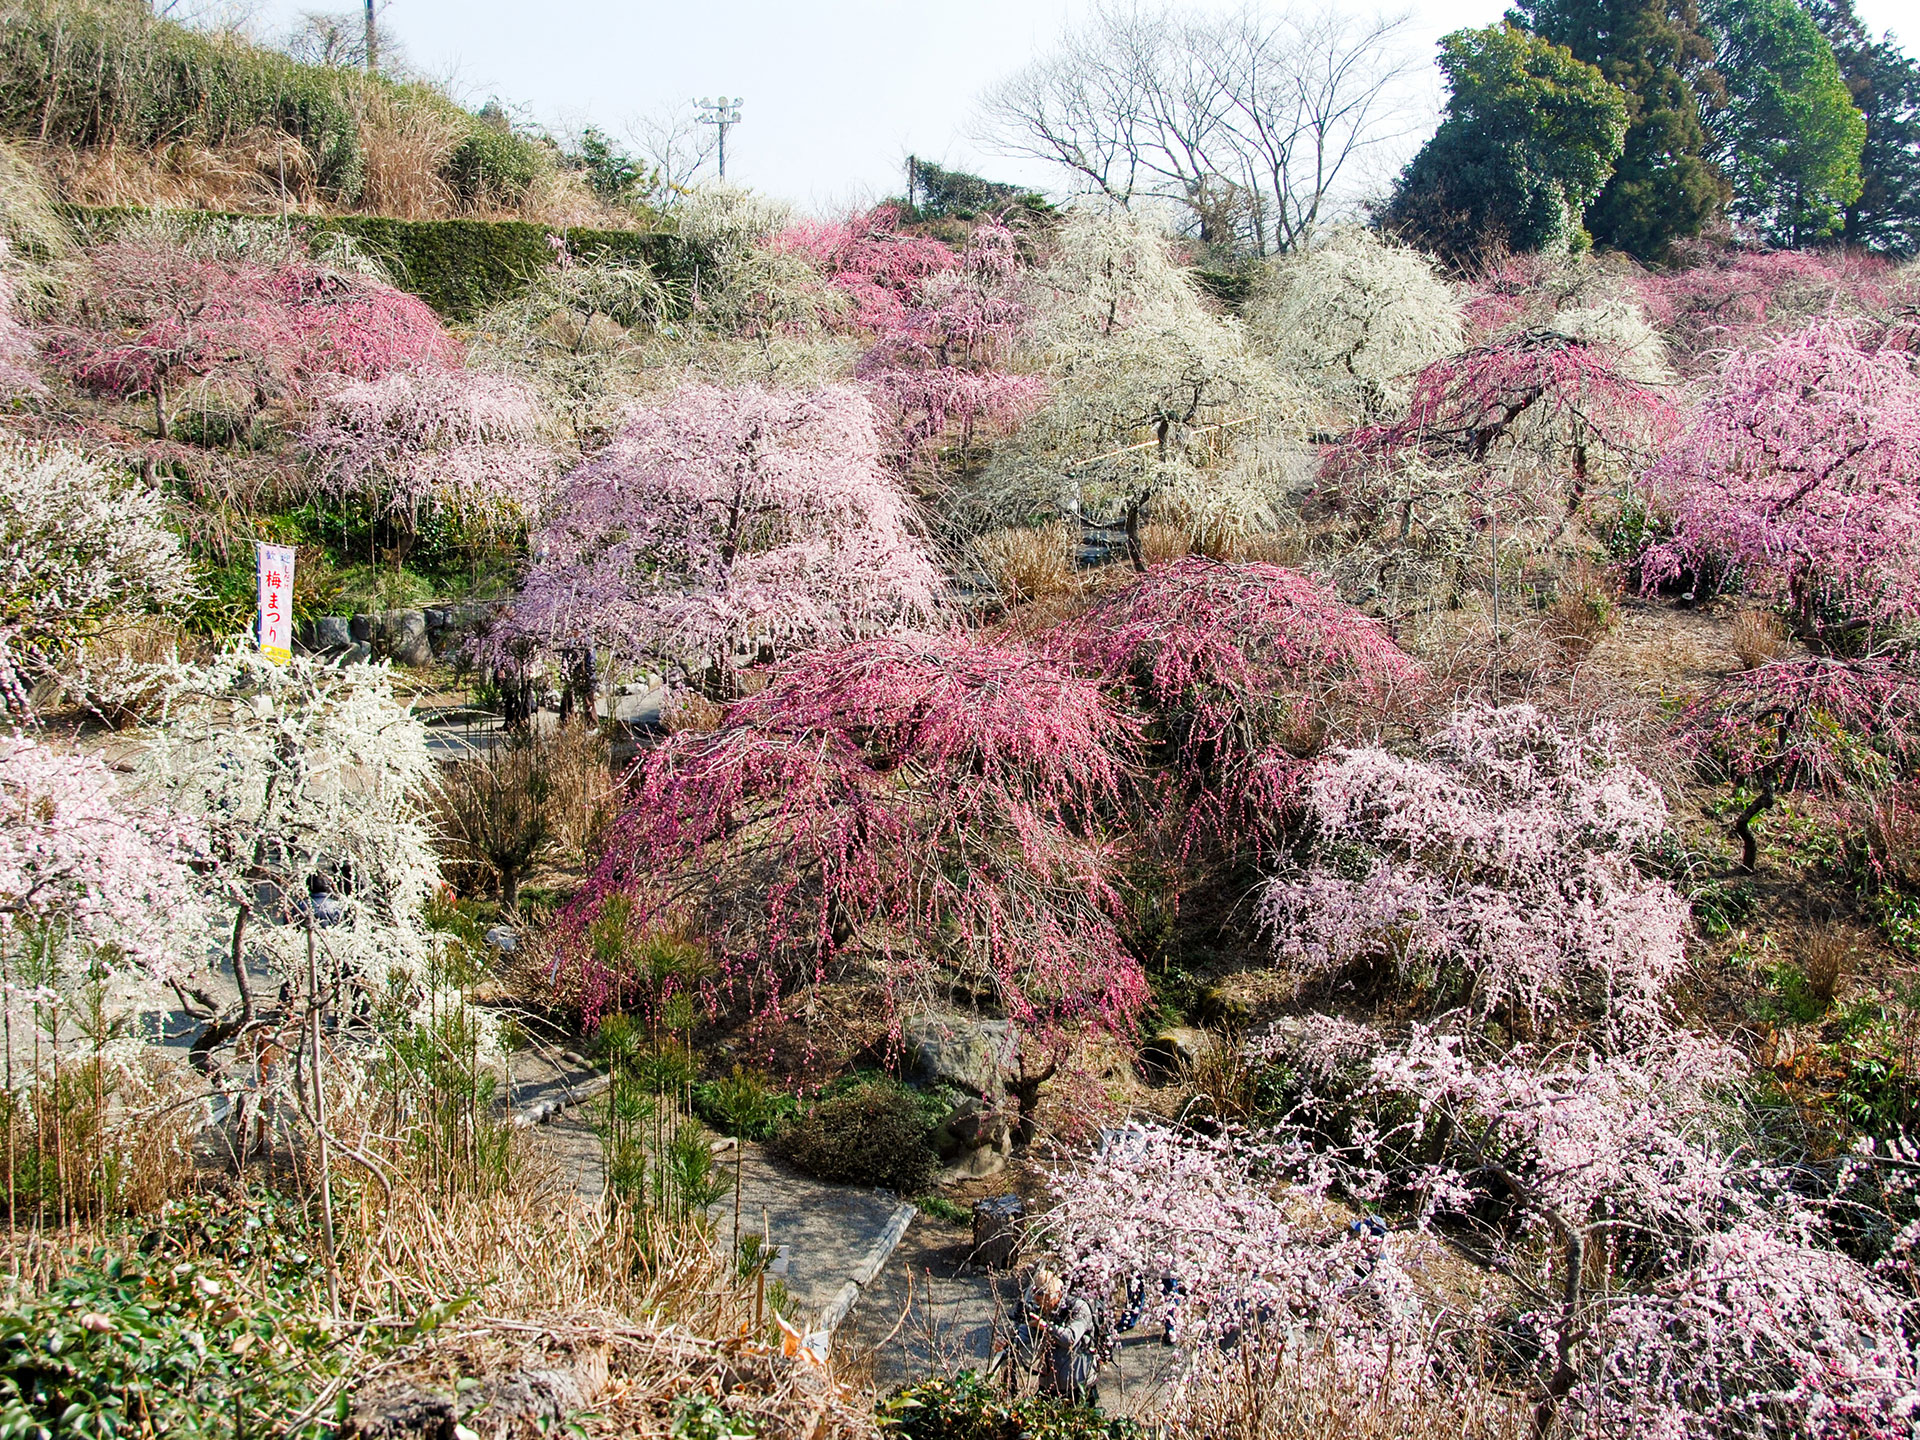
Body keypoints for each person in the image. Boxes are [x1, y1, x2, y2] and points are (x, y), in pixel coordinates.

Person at [1027, 1268, 1099, 1406]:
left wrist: (1047, 1327)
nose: (1040, 1301)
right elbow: (1026, 1332)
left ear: (1058, 1294)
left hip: (1078, 1384)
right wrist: (1009, 1341)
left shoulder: (1078, 1308)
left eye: (1045, 1296)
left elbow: (1070, 1338)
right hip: (1049, 1384)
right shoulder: (1038, 1308)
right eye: (1037, 1296)